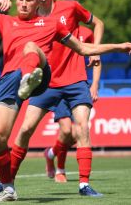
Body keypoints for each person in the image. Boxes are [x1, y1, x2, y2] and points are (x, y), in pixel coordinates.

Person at [0, 0, 131, 202]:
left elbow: (83, 48)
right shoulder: (5, 22)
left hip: (41, 73)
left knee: (30, 47)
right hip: (10, 81)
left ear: (38, 2)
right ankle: (8, 187)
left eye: (29, 0)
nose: (24, 4)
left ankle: (29, 77)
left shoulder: (52, 24)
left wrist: (117, 47)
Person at [43, 25, 102, 184]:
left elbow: (96, 57)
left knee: (77, 134)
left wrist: (95, 84)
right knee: (67, 130)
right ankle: (60, 170)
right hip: (58, 87)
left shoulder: (86, 33)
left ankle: (50, 154)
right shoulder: (53, 29)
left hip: (77, 87)